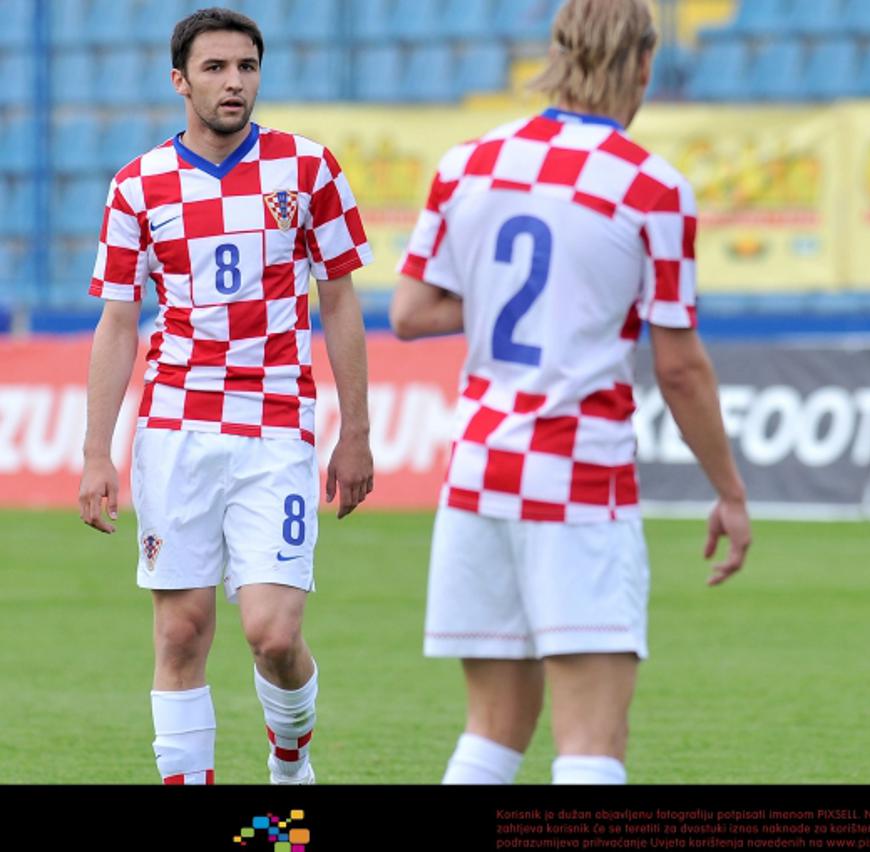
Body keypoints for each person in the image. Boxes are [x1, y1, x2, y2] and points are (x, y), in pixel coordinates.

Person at [390, 0, 751, 785]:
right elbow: (681, 367)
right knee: (591, 742)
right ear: (648, 64)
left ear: (555, 53)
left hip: (479, 471)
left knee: (490, 733)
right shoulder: (653, 187)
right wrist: (729, 490)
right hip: (575, 475)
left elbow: (410, 312)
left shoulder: (468, 163)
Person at [77, 7, 374, 785]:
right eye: (215, 68)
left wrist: (357, 432)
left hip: (276, 427)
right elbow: (118, 323)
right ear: (180, 81)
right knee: (181, 632)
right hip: (174, 428)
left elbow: (339, 301)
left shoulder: (309, 170)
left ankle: (289, 765)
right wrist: (95, 453)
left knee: (273, 634)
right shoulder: (139, 184)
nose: (233, 82)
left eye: (246, 66)